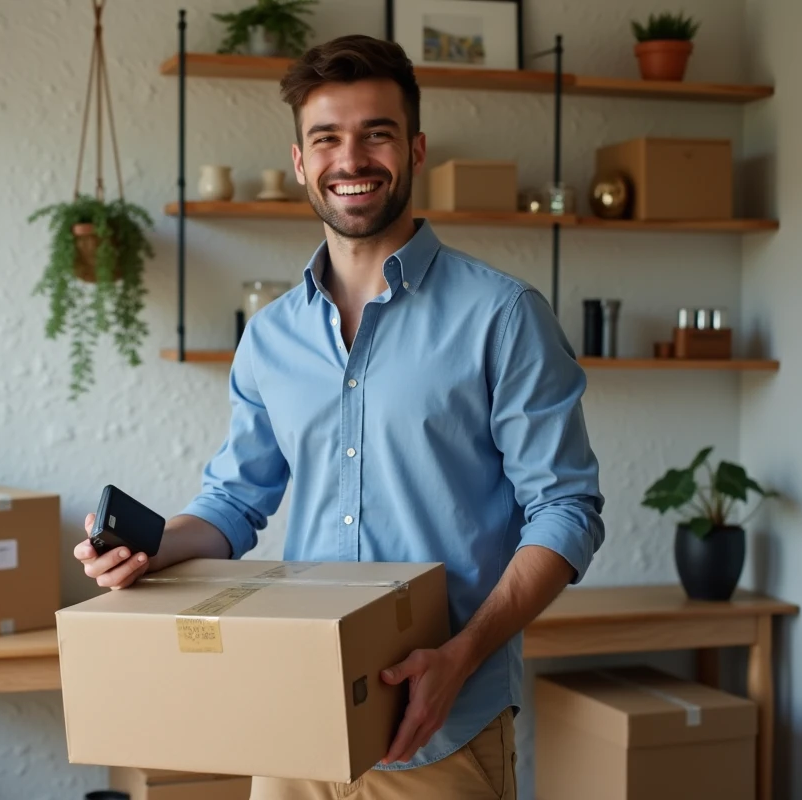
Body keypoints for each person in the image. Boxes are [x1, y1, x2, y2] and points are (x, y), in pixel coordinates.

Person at [74, 33, 604, 800]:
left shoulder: (503, 316)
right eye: (327, 138)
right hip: (298, 720)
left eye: (376, 134)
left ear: (414, 149)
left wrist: (460, 657)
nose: (351, 159)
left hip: (442, 731)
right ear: (300, 161)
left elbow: (566, 510)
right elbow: (234, 502)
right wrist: (151, 550)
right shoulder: (270, 337)